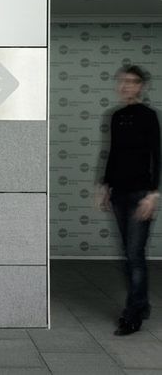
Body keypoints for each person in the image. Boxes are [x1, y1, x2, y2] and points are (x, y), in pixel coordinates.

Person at [97, 65, 160, 336]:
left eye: (133, 82)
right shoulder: (115, 116)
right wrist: (104, 186)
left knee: (135, 256)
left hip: (140, 195)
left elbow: (157, 156)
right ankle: (142, 303)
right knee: (129, 255)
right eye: (123, 81)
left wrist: (153, 193)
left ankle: (132, 315)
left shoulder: (148, 116)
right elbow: (113, 153)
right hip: (119, 193)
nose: (126, 86)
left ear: (141, 86)